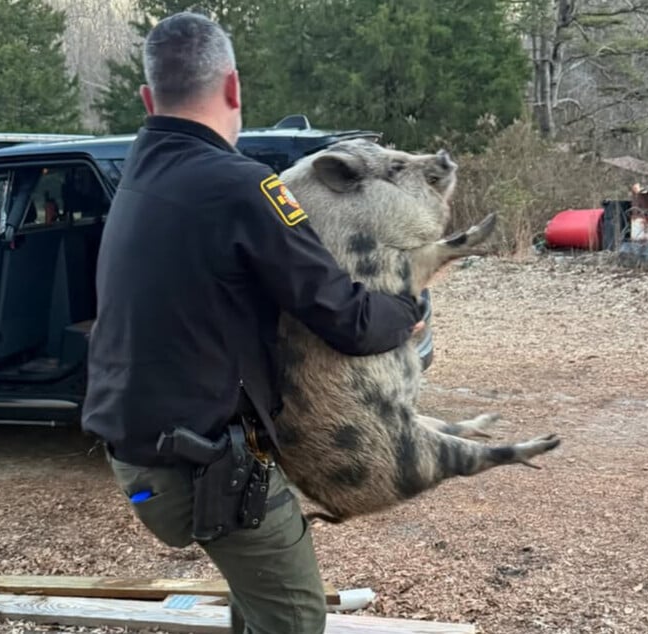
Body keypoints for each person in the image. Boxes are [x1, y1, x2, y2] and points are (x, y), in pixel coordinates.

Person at [81, 11, 425, 634]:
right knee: (294, 617)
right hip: (200, 469)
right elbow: (346, 316)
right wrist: (408, 311)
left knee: (259, 590)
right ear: (234, 88)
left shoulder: (140, 176)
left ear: (146, 97)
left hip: (143, 460)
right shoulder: (241, 188)